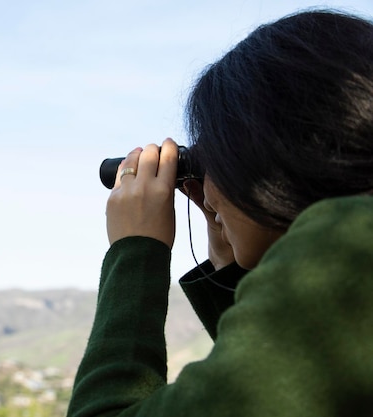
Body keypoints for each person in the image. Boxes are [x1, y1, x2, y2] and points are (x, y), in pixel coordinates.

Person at [67, 9, 373, 417]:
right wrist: (229, 264)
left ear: (265, 156)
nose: (208, 193)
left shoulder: (346, 246)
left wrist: (135, 249)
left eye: (218, 161)